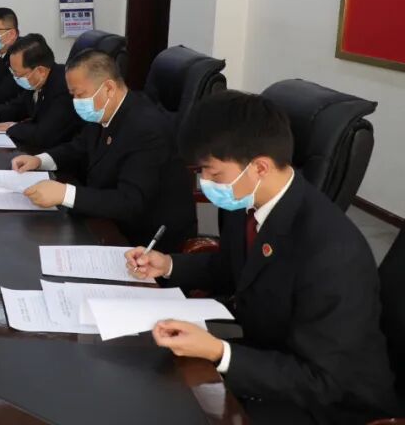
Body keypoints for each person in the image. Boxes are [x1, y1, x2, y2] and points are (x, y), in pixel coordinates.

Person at [125, 91, 396, 424]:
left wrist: (219, 352)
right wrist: (167, 264)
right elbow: (232, 268)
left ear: (260, 167)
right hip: (267, 356)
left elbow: (322, 382)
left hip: (328, 405)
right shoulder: (248, 201)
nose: (205, 183)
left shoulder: (331, 251)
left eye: (214, 174)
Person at [12, 49, 195, 253]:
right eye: (73, 95)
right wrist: (40, 160)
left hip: (145, 242)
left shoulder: (146, 128)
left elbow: (129, 202)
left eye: (80, 95)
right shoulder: (105, 111)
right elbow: (79, 147)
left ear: (108, 88)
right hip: (107, 222)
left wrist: (64, 194)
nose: (76, 102)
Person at [0, 34, 80, 153]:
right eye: (13, 72)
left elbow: (44, 135)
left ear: (40, 71)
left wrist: (12, 127)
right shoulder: (37, 80)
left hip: (64, 155)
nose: (15, 77)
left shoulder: (65, 86)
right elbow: (19, 106)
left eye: (18, 74)